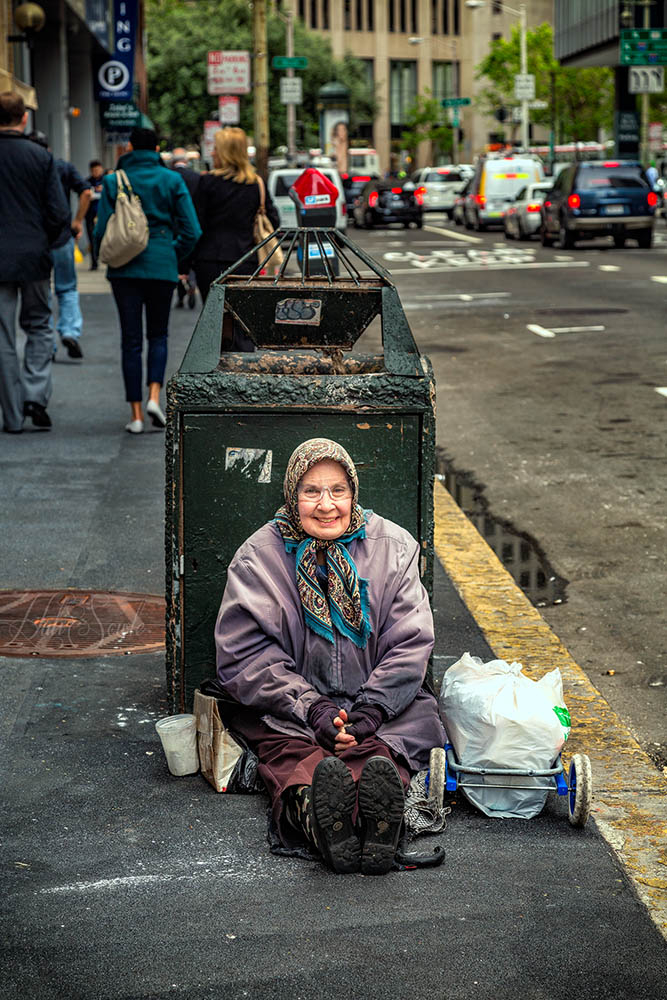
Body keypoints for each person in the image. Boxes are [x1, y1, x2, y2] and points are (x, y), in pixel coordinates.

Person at [214, 438, 445, 875]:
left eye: (338, 490)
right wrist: (312, 707)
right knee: (295, 758)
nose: (326, 505)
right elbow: (245, 654)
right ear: (291, 496)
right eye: (311, 492)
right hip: (294, 713)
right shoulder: (257, 558)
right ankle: (321, 822)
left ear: (353, 493)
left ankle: (378, 820)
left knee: (382, 753)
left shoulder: (392, 547)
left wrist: (372, 707)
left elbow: (410, 640)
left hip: (382, 710)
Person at [94, 127, 201, 434]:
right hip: (161, 265)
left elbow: (101, 231)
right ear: (156, 148)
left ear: (129, 147)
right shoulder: (172, 180)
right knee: (158, 335)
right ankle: (155, 394)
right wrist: (172, 253)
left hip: (124, 270)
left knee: (130, 340)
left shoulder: (114, 181)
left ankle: (136, 415)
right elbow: (192, 230)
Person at [0, 92, 69, 433]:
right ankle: (34, 394)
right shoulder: (40, 158)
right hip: (35, 256)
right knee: (39, 325)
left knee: (3, 334)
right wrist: (48, 241)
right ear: (24, 118)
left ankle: (11, 416)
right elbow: (59, 213)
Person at [193, 127, 279, 304]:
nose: (213, 152)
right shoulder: (256, 184)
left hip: (209, 259)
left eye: (216, 148)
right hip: (246, 259)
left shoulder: (207, 182)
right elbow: (274, 221)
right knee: (240, 320)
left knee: (212, 320)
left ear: (224, 152)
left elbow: (197, 224)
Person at [28, 131, 91, 361]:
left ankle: (48, 344)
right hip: (63, 238)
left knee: (41, 291)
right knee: (67, 289)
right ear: (49, 148)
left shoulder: (27, 167)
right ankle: (70, 331)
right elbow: (86, 192)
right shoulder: (62, 166)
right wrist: (77, 221)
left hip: (36, 240)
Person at [169, 148, 200, 310]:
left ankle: (180, 293)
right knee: (191, 257)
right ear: (186, 161)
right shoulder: (196, 177)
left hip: (173, 225)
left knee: (179, 260)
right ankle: (192, 280)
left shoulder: (168, 176)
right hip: (192, 223)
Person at [85, 160, 105, 271]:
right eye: (93, 170)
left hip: (103, 214)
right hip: (90, 214)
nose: (96, 172)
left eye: (97, 170)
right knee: (91, 238)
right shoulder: (87, 182)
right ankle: (94, 262)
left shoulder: (107, 181)